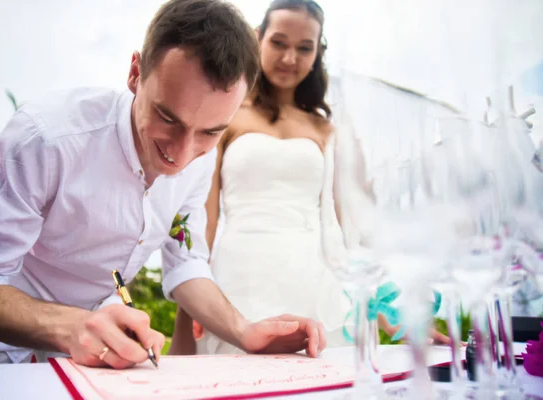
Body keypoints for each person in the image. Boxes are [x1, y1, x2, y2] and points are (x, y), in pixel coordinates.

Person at [0, 1, 327, 398]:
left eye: (211, 131)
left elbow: (187, 262)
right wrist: (72, 327)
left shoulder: (200, 159)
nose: (181, 155)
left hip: (91, 369)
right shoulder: (47, 138)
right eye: (168, 118)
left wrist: (245, 331)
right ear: (135, 73)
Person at [170, 0, 450, 355]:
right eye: (279, 43)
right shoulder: (227, 115)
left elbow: (353, 230)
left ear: (318, 53)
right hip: (239, 274)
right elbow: (201, 223)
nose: (290, 58)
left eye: (304, 48)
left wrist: (399, 323)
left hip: (315, 279)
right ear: (257, 38)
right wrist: (187, 313)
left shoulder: (327, 130)